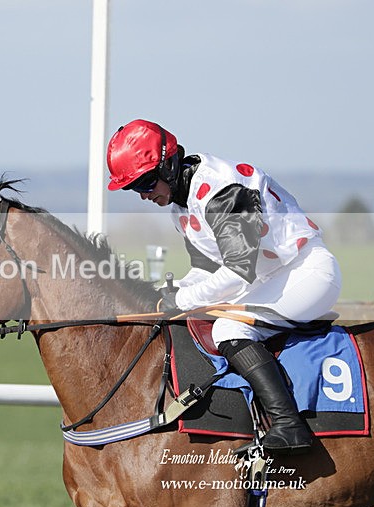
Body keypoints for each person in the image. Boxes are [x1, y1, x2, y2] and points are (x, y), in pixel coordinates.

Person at [106, 119, 342, 455]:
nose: (144, 194)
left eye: (145, 182)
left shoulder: (222, 190)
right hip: (270, 278)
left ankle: (289, 425)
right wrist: (162, 292)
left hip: (307, 273)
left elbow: (236, 273)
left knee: (230, 329)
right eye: (134, 188)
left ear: (168, 165)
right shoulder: (181, 206)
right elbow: (206, 269)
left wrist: (182, 299)